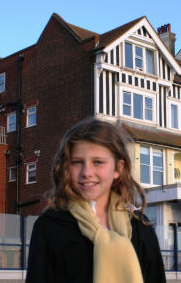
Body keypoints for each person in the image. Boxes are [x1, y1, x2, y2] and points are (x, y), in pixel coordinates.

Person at [26, 118, 166, 283]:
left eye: (98, 162)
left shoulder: (141, 227)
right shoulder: (50, 226)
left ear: (118, 169)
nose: (87, 172)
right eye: (77, 162)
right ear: (65, 168)